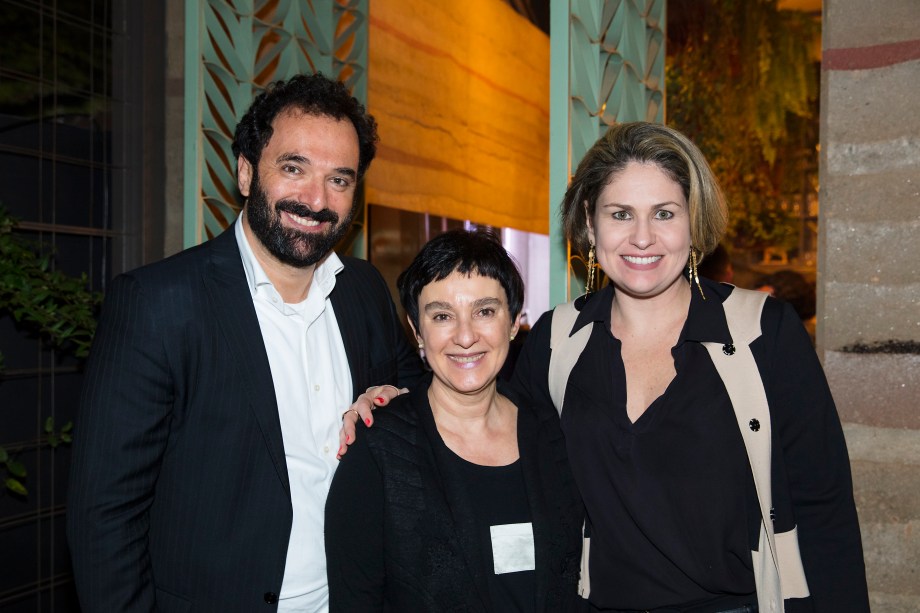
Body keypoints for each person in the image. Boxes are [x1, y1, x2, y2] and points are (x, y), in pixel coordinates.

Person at [67, 73, 424, 612]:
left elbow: (420, 404)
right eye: (294, 167)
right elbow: (104, 516)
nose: (316, 199)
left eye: (340, 180)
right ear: (244, 171)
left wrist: (392, 403)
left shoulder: (365, 290)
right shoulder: (159, 303)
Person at [511, 122, 868, 611]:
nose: (642, 238)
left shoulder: (766, 333)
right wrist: (398, 405)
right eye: (620, 214)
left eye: (664, 213)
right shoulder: (555, 341)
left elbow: (824, 511)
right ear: (591, 226)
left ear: (693, 222)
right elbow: (499, 456)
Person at [325, 230, 585, 612]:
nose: (465, 336)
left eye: (485, 311)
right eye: (442, 315)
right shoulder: (378, 451)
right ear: (416, 332)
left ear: (513, 322)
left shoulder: (555, 432)